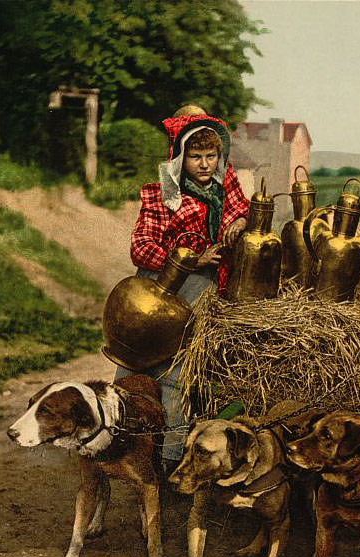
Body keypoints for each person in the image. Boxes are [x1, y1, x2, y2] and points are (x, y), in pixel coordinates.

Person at [115, 107, 249, 471]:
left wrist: (238, 222)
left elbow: (243, 210)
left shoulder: (226, 185)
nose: (204, 165)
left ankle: (170, 457)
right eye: (195, 156)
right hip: (159, 284)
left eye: (211, 156)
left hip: (203, 287)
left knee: (178, 372)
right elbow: (140, 246)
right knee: (135, 365)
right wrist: (189, 259)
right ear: (179, 155)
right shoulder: (164, 191)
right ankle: (117, 444)